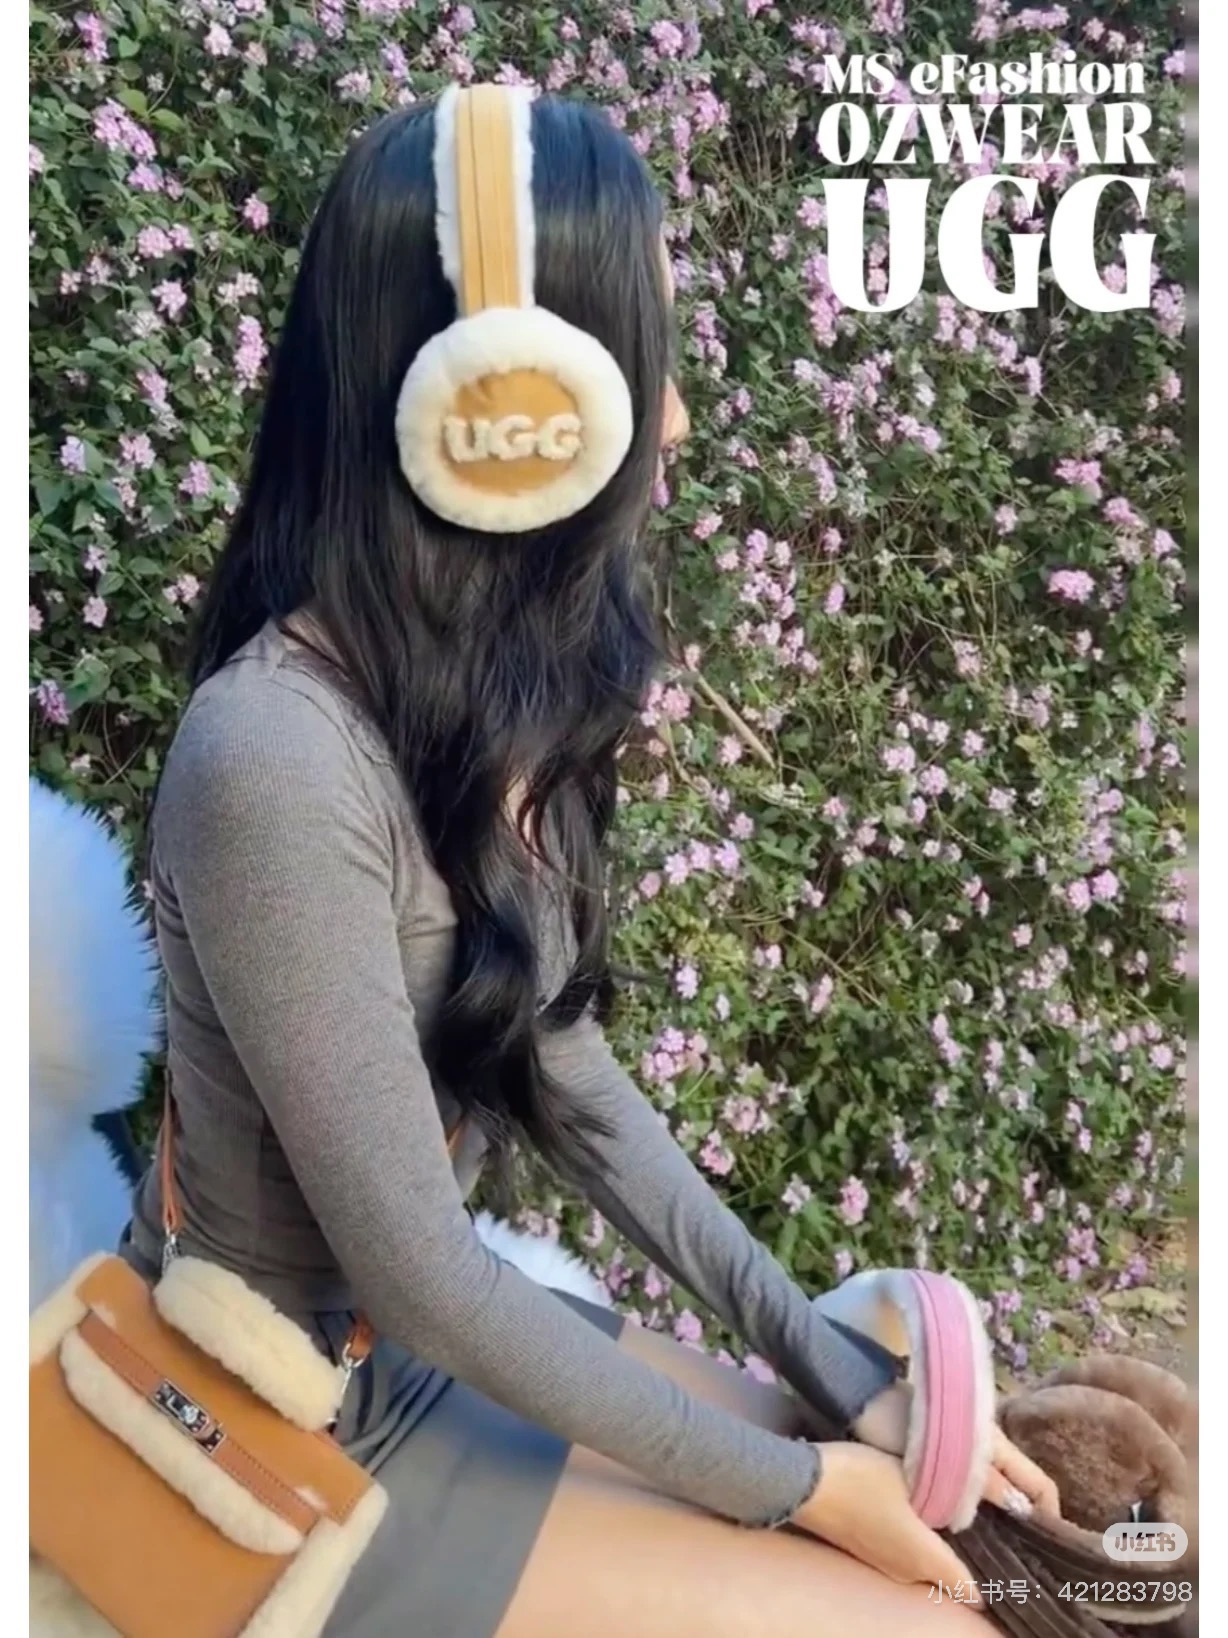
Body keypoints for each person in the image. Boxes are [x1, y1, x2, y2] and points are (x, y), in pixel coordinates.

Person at [122, 84, 1057, 1637]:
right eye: (643, 363)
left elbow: (564, 1073)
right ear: (507, 406)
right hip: (271, 1430)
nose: (673, 420)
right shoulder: (274, 754)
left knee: (930, 1525)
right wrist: (800, 1488)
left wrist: (833, 1369)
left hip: (401, 1366)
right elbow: (421, 1274)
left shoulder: (459, 694)